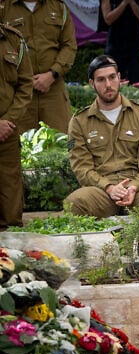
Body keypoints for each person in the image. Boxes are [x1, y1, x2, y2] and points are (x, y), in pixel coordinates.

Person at [65, 55, 139, 218]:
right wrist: (109, 188)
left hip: (137, 190)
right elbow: (82, 168)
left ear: (119, 78)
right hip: (101, 192)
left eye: (112, 77)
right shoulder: (79, 121)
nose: (108, 85)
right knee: (74, 203)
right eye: (101, 80)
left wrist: (132, 187)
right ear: (92, 83)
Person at [1, 0, 76, 136]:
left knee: (59, 144)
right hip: (18, 95)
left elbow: (69, 45)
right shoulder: (4, 7)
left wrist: (52, 74)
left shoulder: (58, 7)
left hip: (53, 90)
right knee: (20, 147)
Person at [0, 23, 32, 231]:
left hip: (6, 132)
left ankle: (9, 256)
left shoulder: (14, 40)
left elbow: (25, 85)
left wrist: (7, 122)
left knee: (10, 202)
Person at [101, 0, 139, 88]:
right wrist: (124, 3)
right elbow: (108, 19)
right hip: (116, 42)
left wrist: (132, 3)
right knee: (113, 80)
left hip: (138, 42)